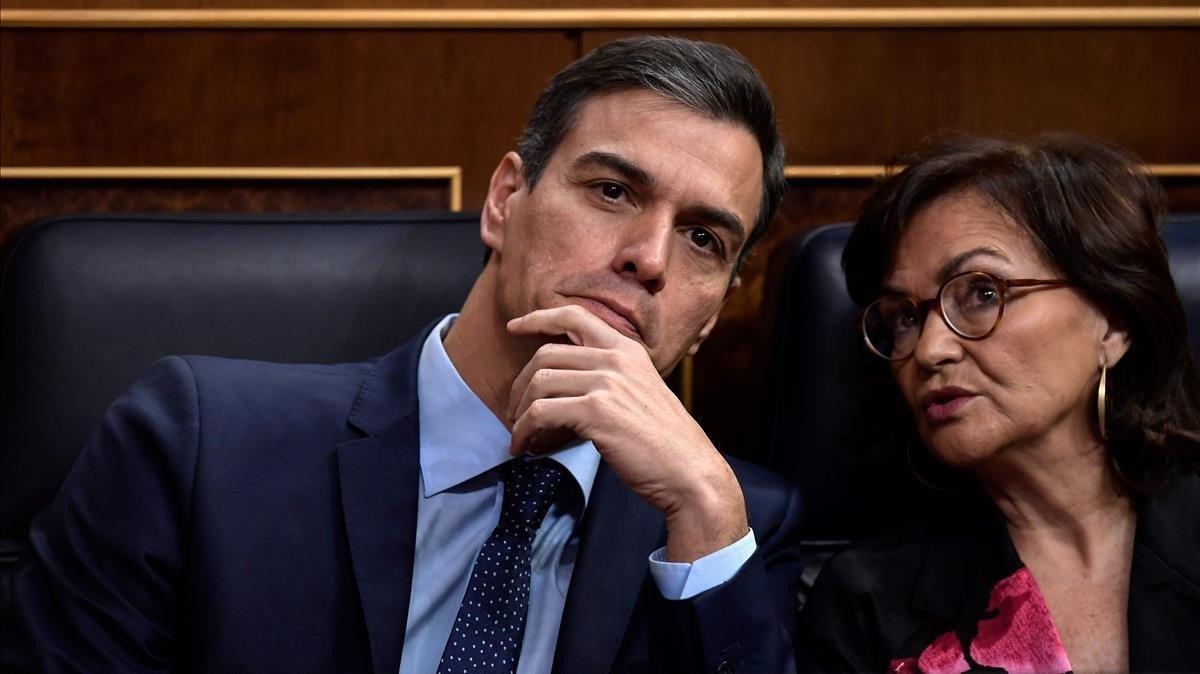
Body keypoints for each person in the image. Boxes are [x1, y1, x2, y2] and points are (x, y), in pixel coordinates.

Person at [3, 37, 803, 673]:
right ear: (503, 200)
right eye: (612, 191)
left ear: (714, 313)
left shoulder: (733, 530)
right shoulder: (198, 444)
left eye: (704, 238)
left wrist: (705, 510)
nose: (650, 257)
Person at [798, 134, 1200, 672]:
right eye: (905, 317)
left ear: (1113, 323)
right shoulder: (865, 604)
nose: (929, 350)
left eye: (982, 292)